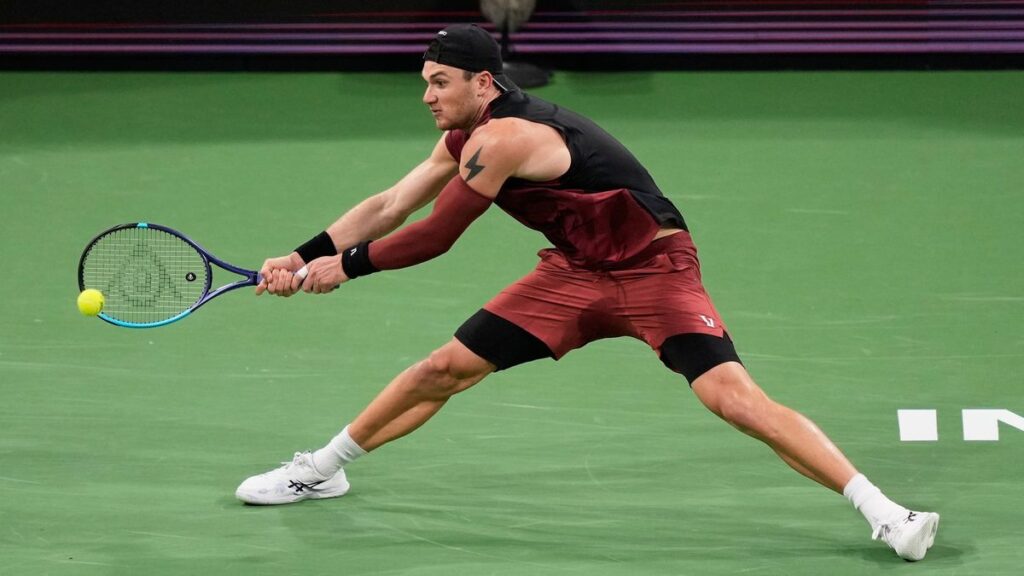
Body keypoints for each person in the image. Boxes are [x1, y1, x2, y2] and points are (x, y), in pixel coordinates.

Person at [235, 24, 939, 561]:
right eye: (424, 81)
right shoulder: (463, 136)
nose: (427, 96)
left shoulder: (507, 137)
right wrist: (302, 254)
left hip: (655, 272)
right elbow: (392, 205)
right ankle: (321, 471)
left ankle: (886, 513)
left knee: (735, 400)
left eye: (440, 82)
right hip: (573, 275)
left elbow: (436, 235)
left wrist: (346, 268)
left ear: (483, 83)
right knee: (442, 370)